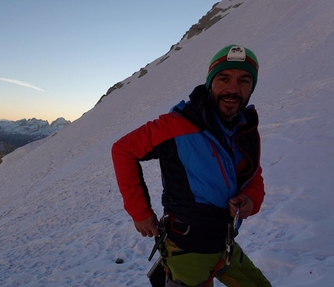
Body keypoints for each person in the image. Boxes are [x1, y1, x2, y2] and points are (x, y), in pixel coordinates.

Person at [111, 45, 272, 286]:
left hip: (224, 243)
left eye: (244, 80)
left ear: (252, 88)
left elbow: (252, 174)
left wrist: (250, 198)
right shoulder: (177, 124)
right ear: (210, 83)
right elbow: (123, 150)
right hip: (187, 249)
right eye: (224, 78)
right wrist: (140, 213)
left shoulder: (245, 127)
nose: (233, 89)